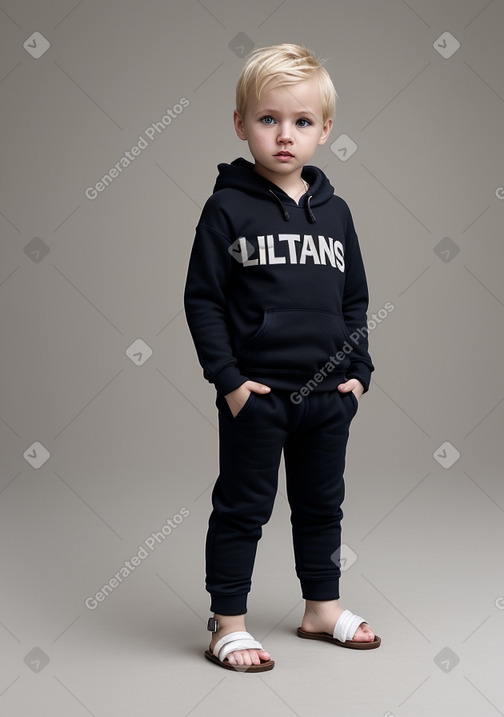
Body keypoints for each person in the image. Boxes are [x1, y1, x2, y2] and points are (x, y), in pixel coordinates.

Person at [184, 43, 381, 672]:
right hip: (259, 397)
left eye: (301, 122)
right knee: (244, 506)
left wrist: (358, 374)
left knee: (324, 505)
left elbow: (354, 299)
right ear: (240, 125)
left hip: (327, 398)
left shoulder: (337, 213)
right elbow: (203, 301)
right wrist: (230, 383)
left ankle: (321, 608)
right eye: (268, 120)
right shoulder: (226, 209)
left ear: (325, 129)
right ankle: (228, 621)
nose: (285, 136)